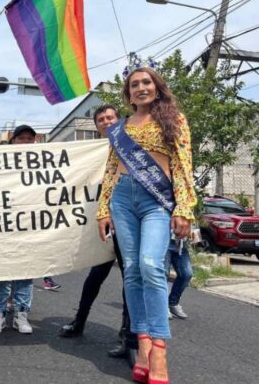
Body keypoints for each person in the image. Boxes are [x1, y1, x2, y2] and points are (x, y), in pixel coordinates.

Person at [97, 67, 196, 384]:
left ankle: (159, 350)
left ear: (157, 86)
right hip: (122, 199)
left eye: (146, 82)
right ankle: (142, 346)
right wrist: (103, 208)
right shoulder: (120, 128)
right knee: (132, 271)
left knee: (151, 265)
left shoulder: (173, 119)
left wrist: (184, 207)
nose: (141, 87)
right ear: (128, 93)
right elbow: (111, 168)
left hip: (157, 200)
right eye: (134, 84)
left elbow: (183, 164)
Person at [59, 105, 137, 364]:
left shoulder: (131, 145)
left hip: (127, 221)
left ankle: (127, 335)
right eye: (101, 119)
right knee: (95, 276)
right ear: (96, 126)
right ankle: (79, 321)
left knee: (129, 279)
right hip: (102, 222)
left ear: (119, 120)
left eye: (110, 117)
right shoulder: (92, 152)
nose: (106, 122)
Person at [0, 125, 37, 334]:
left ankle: (21, 315)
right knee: (1, 270)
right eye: (21, 138)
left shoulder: (42, 163)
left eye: (29, 139)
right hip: (2, 225)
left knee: (26, 271)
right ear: (13, 141)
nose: (25, 142)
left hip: (29, 225)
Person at [165, 237, 193, 319]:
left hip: (180, 244)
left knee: (186, 274)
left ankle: (173, 303)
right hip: (164, 242)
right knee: (163, 275)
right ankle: (163, 306)